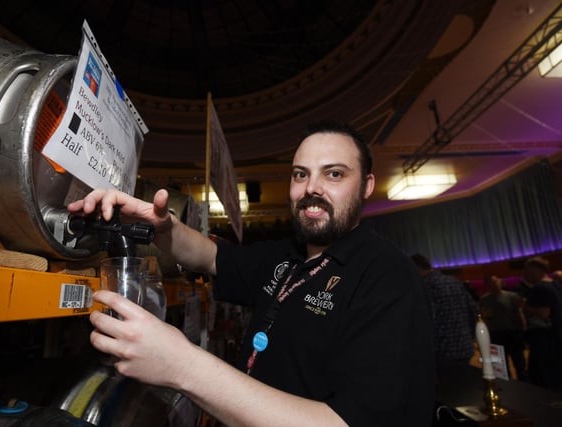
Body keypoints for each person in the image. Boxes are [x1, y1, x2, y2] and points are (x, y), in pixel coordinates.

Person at [68, 120, 436, 426]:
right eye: (300, 174)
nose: (311, 188)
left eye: (334, 174)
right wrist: (162, 227)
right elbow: (211, 257)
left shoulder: (388, 278)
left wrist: (183, 365)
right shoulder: (286, 256)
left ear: (367, 186)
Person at [410, 254, 478, 379]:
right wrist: (469, 336)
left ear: (415, 268)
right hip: (465, 348)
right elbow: (474, 311)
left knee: (447, 394)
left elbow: (426, 321)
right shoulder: (455, 282)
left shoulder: (424, 287)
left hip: (440, 352)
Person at [519, 257, 562, 391]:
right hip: (555, 336)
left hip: (544, 339)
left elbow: (544, 313)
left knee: (543, 377)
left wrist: (524, 306)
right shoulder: (555, 285)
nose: (524, 273)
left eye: (527, 270)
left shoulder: (540, 287)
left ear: (535, 269)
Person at [478, 275, 527, 381]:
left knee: (519, 364)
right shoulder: (484, 299)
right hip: (496, 334)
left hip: (513, 333)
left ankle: (524, 384)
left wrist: (523, 329)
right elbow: (484, 317)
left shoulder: (512, 296)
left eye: (496, 281)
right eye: (491, 282)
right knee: (501, 366)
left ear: (500, 282)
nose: (495, 284)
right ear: (487, 285)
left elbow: (520, 314)